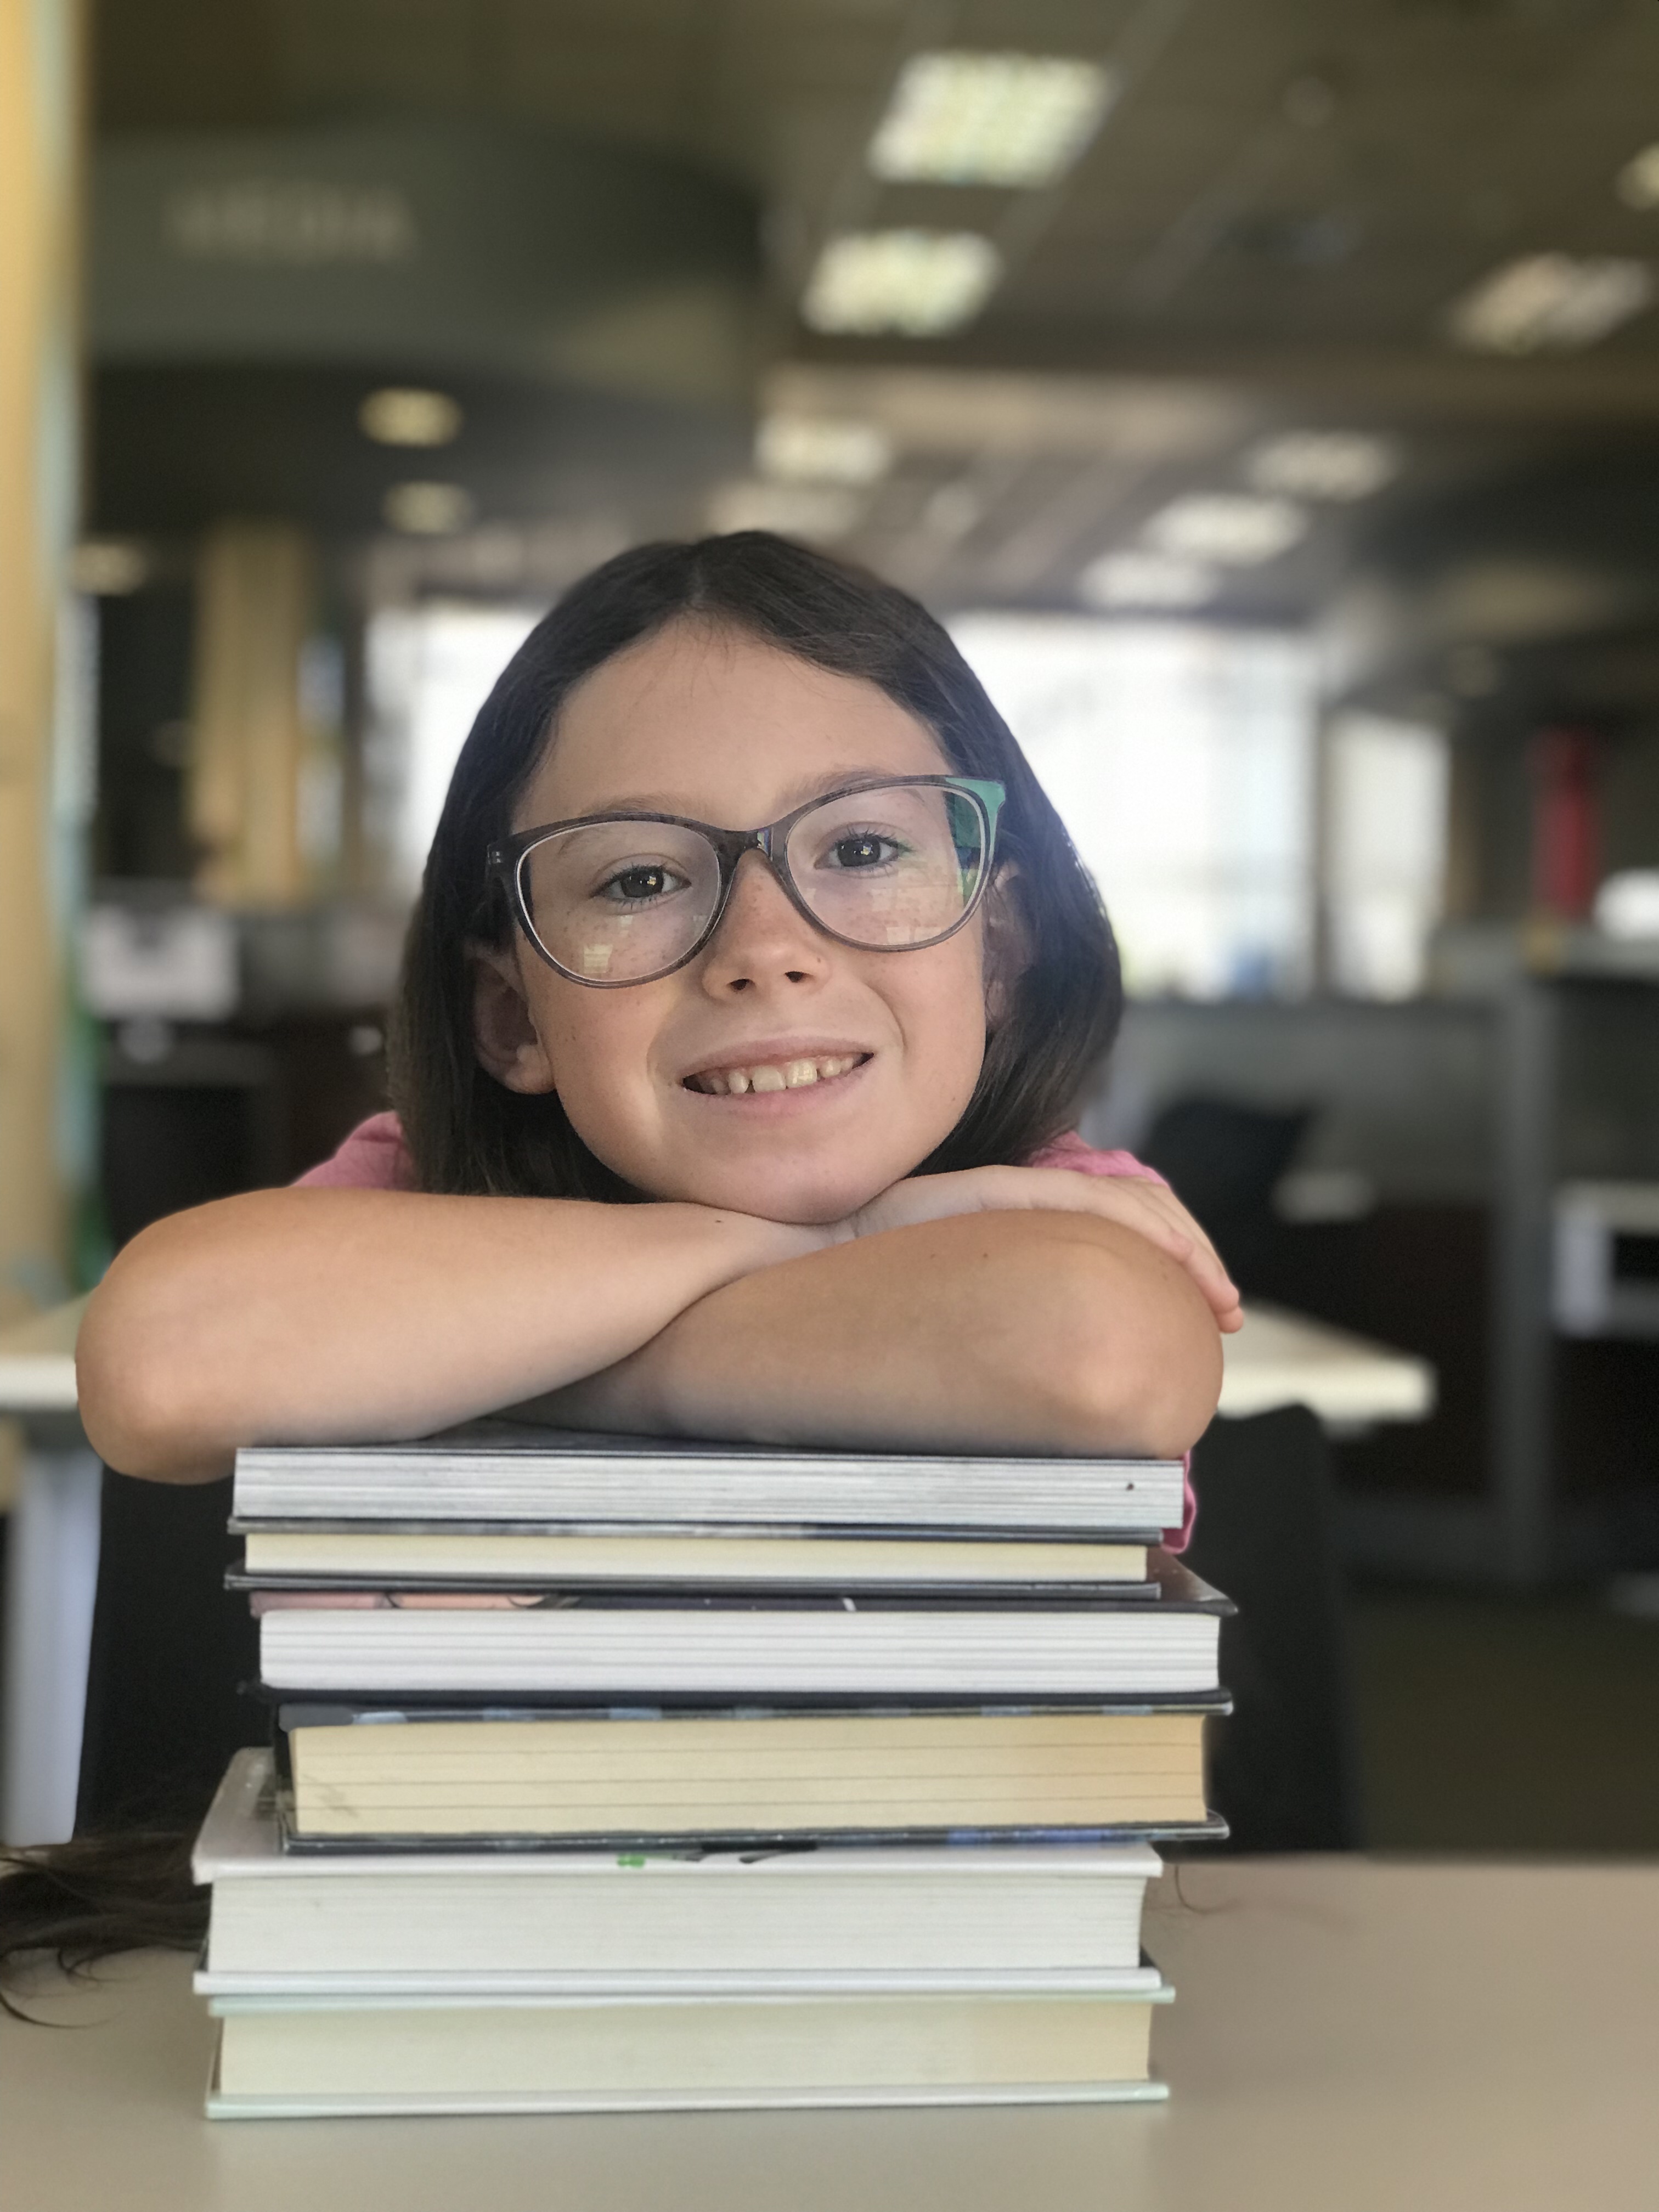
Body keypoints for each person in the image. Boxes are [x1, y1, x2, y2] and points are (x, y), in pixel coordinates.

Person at [4, 530, 1238, 1993]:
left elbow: (1098, 1352)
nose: (765, 948)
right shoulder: (420, 1200)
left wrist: (502, 1359)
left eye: (861, 849)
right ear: (511, 1019)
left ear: (1002, 947)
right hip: (443, 1982)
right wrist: (833, 1240)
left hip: (917, 1992)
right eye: (643, 876)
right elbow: (159, 1363)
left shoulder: (1042, 1212)